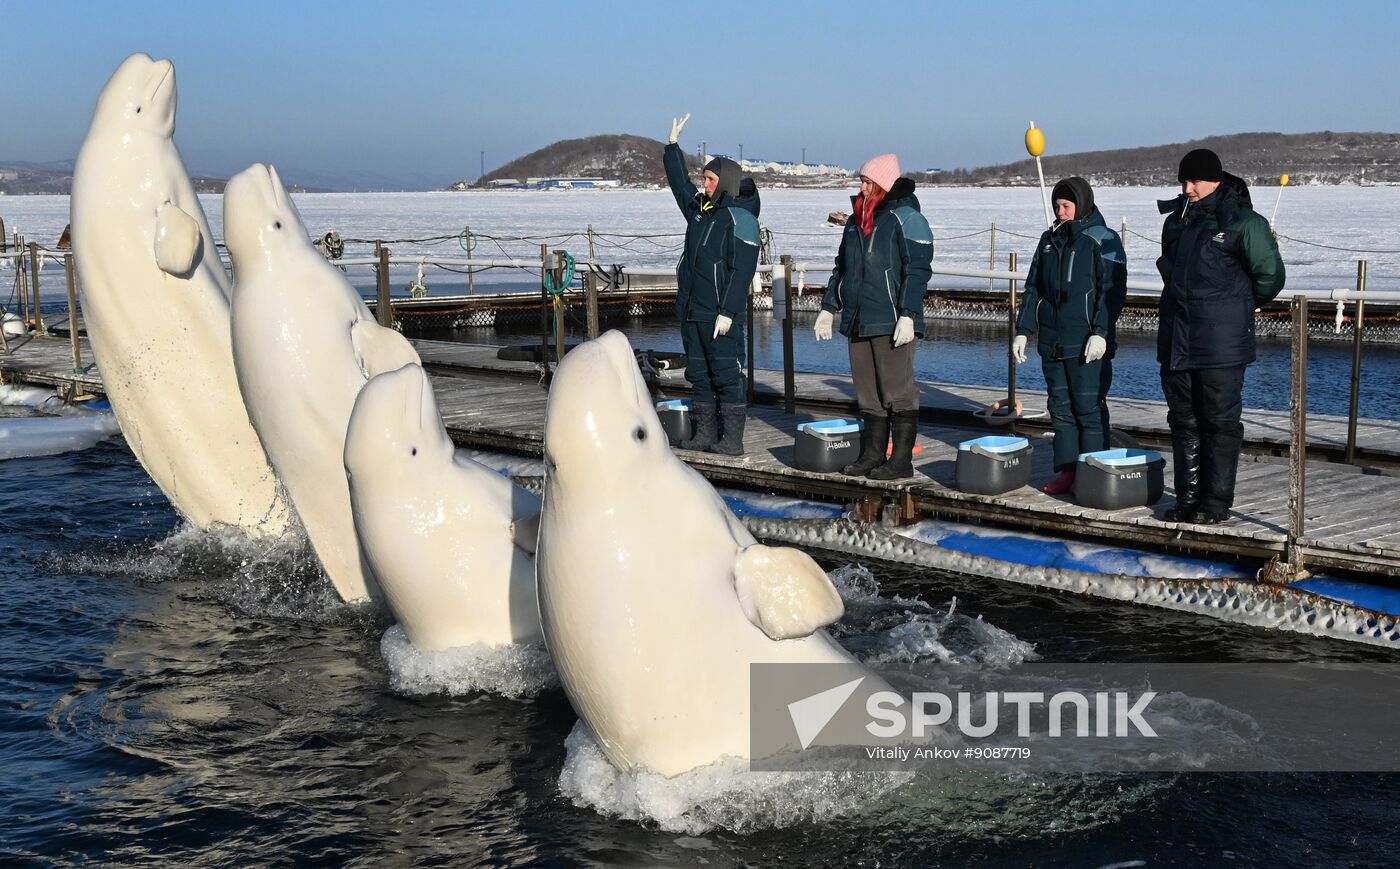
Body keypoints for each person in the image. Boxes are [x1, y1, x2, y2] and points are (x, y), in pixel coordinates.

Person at [1157, 148, 1285, 524]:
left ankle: (1215, 502)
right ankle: (1187, 499)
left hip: (1221, 345)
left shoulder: (1245, 223)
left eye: (1194, 180)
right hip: (1177, 339)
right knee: (1183, 421)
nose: (1187, 187)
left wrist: (1234, 307)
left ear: (1215, 179)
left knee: (1219, 422)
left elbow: (1270, 278)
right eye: (1183, 180)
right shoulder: (1176, 222)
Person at [814, 153, 933, 480]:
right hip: (858, 318)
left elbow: (917, 271)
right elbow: (843, 269)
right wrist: (829, 307)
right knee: (868, 392)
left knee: (898, 391)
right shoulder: (856, 221)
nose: (862, 188)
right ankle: (872, 454)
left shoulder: (906, 219)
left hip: (891, 318)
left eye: (868, 182)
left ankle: (901, 461)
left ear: (884, 184)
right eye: (862, 182)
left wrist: (908, 314)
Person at [1012, 177, 1127, 494]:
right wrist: (1024, 330)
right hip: (1053, 340)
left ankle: (1093, 473)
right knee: (1060, 408)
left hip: (1088, 341)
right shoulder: (1048, 241)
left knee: (1088, 409)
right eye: (1057, 206)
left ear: (1081, 204)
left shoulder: (1104, 239)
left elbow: (1111, 293)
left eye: (1066, 206)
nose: (1060, 212)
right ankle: (1068, 470)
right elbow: (1034, 288)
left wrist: (1101, 332)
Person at [662, 113, 762, 455]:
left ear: (726, 181)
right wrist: (672, 148)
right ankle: (705, 434)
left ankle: (731, 440)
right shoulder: (701, 212)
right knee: (700, 376)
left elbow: (741, 271)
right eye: (704, 178)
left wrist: (729, 312)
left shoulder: (740, 219)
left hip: (721, 315)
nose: (704, 184)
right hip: (694, 311)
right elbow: (679, 187)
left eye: (710, 179)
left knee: (727, 376)